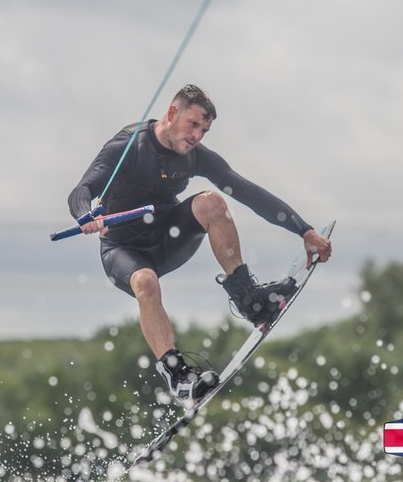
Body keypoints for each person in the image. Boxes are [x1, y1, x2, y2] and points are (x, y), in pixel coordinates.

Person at [67, 84, 332, 407]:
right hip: (124, 251)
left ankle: (248, 299)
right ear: (172, 113)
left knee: (212, 203)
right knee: (146, 283)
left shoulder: (194, 157)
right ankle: (178, 376)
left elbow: (248, 193)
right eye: (193, 125)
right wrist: (85, 216)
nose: (197, 136)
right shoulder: (127, 146)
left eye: (204, 130)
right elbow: (81, 191)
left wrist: (303, 230)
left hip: (167, 239)